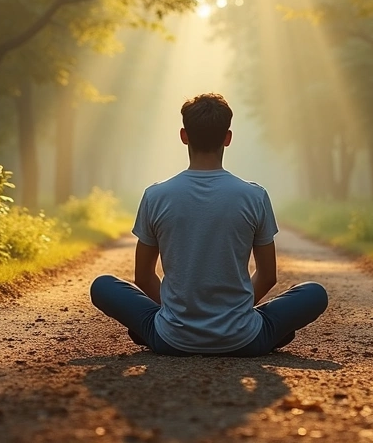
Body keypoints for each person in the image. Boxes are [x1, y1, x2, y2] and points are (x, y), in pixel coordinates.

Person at [89, 93, 328, 356]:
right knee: (314, 293)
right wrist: (234, 313)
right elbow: (268, 275)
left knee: (103, 285)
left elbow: (143, 276)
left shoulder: (156, 196)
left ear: (184, 135)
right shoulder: (254, 196)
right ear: (228, 138)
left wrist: (175, 311)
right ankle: (264, 332)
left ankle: (156, 328)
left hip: (171, 338)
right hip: (243, 339)